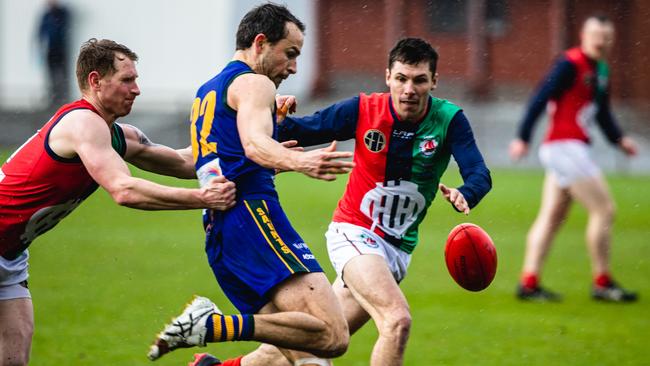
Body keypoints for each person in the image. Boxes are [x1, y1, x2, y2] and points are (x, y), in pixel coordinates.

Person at [187, 37, 492, 366]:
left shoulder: (449, 120)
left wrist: (467, 191)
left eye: (419, 80)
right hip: (355, 234)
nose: (409, 90)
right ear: (388, 76)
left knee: (315, 341)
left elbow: (478, 172)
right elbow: (306, 129)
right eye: (401, 79)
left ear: (434, 81)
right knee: (397, 320)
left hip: (397, 250)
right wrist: (276, 119)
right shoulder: (363, 109)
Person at [0, 38, 237, 366]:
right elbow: (124, 190)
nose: (137, 89)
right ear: (96, 81)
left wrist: (258, 139)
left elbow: (187, 161)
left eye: (136, 79)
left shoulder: (115, 134)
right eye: (127, 80)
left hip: (10, 257)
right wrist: (203, 198)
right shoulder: (83, 124)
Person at [146, 4, 354, 366]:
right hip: (254, 218)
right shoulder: (254, 83)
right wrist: (300, 160)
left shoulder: (208, 92)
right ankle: (213, 326)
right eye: (290, 54)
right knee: (332, 334)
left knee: (308, 358)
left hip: (222, 231)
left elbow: (207, 159)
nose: (293, 67)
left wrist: (275, 156)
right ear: (260, 43)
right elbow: (255, 142)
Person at [509, 15, 639, 302]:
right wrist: (523, 137)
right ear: (583, 34)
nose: (601, 40)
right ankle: (602, 282)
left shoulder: (601, 70)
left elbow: (602, 113)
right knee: (605, 210)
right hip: (565, 147)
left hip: (568, 149)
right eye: (596, 34)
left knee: (552, 216)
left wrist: (619, 140)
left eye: (606, 36)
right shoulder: (569, 63)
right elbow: (539, 98)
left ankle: (529, 282)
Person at [37, 0, 71, 108]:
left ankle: (63, 97)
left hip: (61, 49)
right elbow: (41, 32)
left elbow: (61, 29)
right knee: (52, 75)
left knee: (62, 74)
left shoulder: (62, 13)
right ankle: (53, 97)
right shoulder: (46, 15)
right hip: (50, 50)